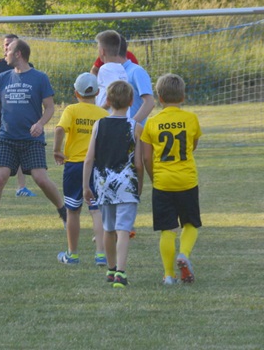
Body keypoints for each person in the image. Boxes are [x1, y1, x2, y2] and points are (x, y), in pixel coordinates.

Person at [0, 39, 66, 234]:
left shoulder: (40, 78)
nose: (5, 53)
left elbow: (49, 107)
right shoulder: (4, 77)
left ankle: (64, 212)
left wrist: (40, 124)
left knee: (40, 179)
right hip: (7, 138)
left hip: (32, 139)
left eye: (9, 50)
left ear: (18, 54)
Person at [141, 74, 202, 285]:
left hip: (162, 182)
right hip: (187, 180)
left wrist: (153, 176)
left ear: (159, 97)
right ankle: (183, 254)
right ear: (183, 96)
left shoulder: (152, 122)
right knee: (191, 223)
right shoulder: (191, 119)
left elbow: (146, 157)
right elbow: (192, 146)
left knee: (167, 229)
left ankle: (168, 275)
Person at [83, 80, 143, 289]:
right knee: (124, 230)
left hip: (103, 185)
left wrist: (86, 186)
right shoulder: (135, 127)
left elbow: (89, 159)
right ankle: (121, 273)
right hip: (127, 185)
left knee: (108, 229)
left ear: (107, 101)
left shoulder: (99, 125)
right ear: (131, 101)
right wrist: (140, 185)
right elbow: (138, 163)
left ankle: (110, 269)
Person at [53, 73, 109, 266]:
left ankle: (73, 255)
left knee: (73, 211)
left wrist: (56, 150)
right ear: (98, 92)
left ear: (76, 92)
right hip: (97, 166)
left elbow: (60, 129)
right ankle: (101, 254)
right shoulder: (103, 114)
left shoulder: (71, 110)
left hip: (75, 166)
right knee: (97, 210)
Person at [0, 34, 36, 197]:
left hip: (20, 120)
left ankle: (21, 187)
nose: (7, 47)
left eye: (10, 44)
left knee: (19, 150)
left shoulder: (29, 67)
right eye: (5, 44)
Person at [95, 30, 154, 125]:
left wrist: (131, 124)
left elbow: (149, 102)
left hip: (130, 134)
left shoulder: (136, 71)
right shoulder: (111, 71)